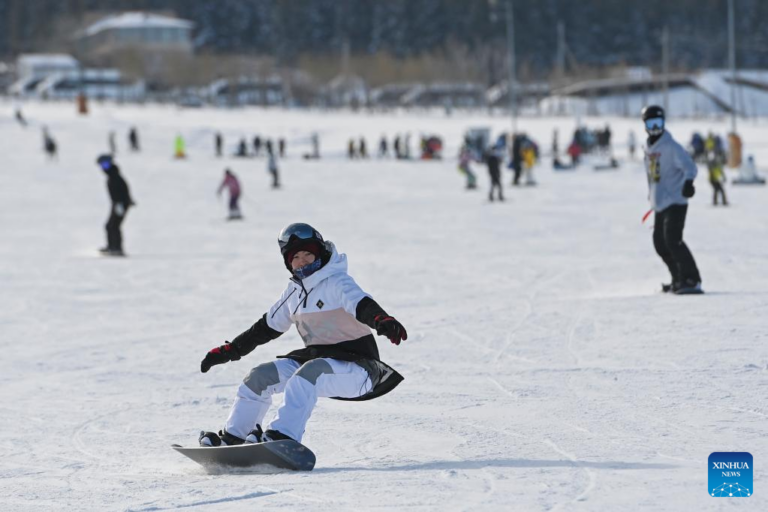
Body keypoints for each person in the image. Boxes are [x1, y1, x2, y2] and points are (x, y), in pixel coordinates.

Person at [198, 223, 406, 447]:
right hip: (317, 362)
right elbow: (266, 327)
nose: (302, 260)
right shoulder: (294, 292)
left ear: (319, 253)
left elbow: (361, 303)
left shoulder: (337, 282)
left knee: (308, 373)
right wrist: (232, 350)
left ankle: (282, 437)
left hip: (358, 369)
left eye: (308, 253)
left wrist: (381, 319)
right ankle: (234, 437)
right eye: (295, 256)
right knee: (259, 376)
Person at [642, 105, 702, 294]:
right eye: (651, 123)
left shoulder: (671, 146)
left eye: (658, 123)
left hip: (676, 200)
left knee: (673, 239)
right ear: (645, 125)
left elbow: (690, 166)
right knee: (659, 243)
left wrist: (688, 183)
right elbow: (652, 174)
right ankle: (678, 278)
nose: (655, 128)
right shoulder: (648, 147)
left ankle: (692, 279)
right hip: (659, 202)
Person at [97, 155, 134, 256]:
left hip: (120, 204)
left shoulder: (115, 176)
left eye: (106, 164)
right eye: (102, 165)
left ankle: (116, 248)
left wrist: (123, 203)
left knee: (113, 226)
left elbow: (123, 189)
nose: (104, 167)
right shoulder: (112, 175)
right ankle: (112, 246)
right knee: (110, 226)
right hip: (117, 204)